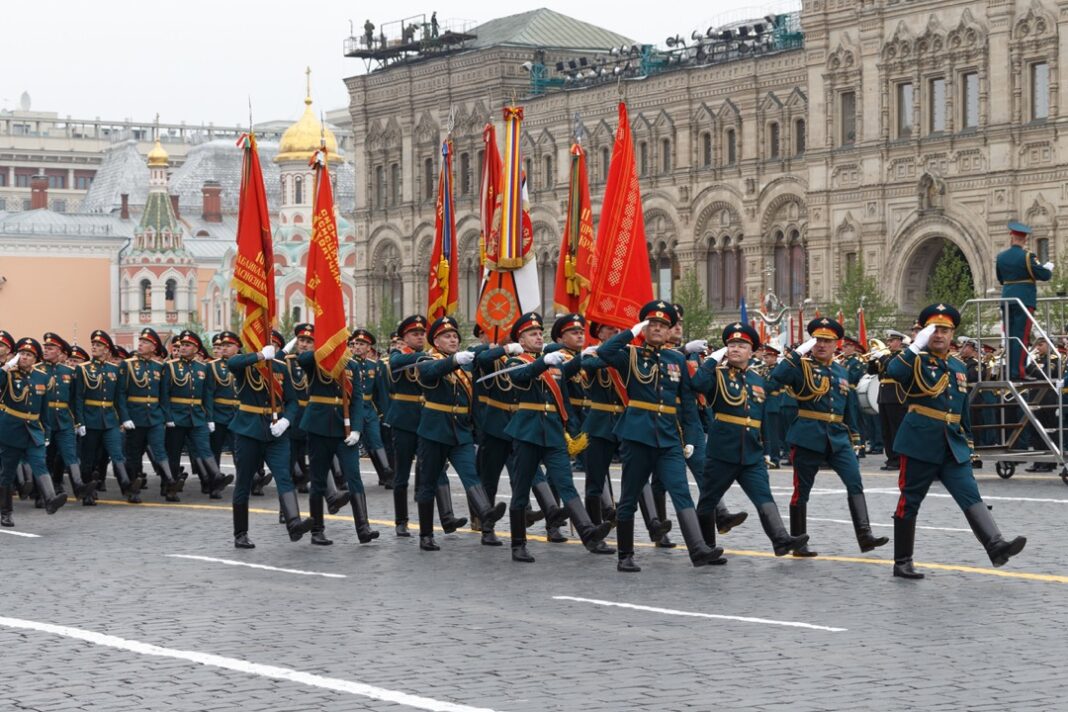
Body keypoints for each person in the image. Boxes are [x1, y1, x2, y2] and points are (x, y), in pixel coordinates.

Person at [887, 303, 1027, 579]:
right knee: (910, 500)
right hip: (920, 441)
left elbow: (962, 409)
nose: (940, 334)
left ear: (953, 334)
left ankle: (996, 545)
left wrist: (969, 443)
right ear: (926, 332)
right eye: (935, 329)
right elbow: (894, 372)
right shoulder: (913, 359)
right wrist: (915, 345)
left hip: (952, 443)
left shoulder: (957, 365)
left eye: (945, 330)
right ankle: (902, 561)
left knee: (970, 494)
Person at [594, 301, 725, 572]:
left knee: (681, 492)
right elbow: (605, 352)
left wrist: (690, 437)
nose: (657, 328)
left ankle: (698, 548)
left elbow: (687, 403)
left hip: (668, 437)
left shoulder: (676, 359)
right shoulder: (629, 354)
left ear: (669, 332)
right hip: (637, 435)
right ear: (645, 327)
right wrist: (632, 332)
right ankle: (625, 555)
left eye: (663, 325)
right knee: (629, 496)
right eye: (652, 324)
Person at [771, 317, 889, 557]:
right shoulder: (801, 366)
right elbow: (777, 377)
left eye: (827, 341)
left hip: (837, 437)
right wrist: (796, 354)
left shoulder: (841, 370)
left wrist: (855, 436)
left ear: (837, 343)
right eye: (817, 340)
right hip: (808, 435)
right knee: (801, 490)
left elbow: (848, 407)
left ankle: (865, 536)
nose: (822, 345)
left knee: (854, 481)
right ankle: (799, 542)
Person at [689, 323, 808, 559]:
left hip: (751, 452)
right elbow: (697, 385)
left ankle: (780, 539)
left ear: (751, 351)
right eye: (731, 345)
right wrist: (712, 360)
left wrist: (796, 355)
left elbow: (772, 392)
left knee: (764, 495)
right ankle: (705, 548)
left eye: (741, 345)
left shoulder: (757, 378)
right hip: (723, 450)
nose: (735, 349)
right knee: (709, 500)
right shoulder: (716, 375)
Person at [500, 312, 611, 562]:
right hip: (527, 432)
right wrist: (543, 362)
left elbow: (565, 396)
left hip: (552, 433)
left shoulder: (555, 363)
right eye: (532, 334)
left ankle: (588, 533)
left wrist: (583, 356)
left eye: (540, 333)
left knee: (566, 484)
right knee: (520, 489)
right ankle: (518, 543)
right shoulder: (515, 361)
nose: (538, 337)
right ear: (521, 339)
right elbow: (520, 377)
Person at [410, 316, 507, 551]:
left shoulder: (465, 364)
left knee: (471, 475)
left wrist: (504, 347)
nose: (452, 339)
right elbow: (431, 372)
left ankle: (486, 515)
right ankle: (425, 535)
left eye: (455, 336)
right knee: (429, 483)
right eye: (446, 336)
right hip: (434, 431)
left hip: (460, 431)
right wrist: (454, 360)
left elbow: (483, 356)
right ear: (436, 341)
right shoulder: (426, 359)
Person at [227, 336, 313, 548]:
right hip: (249, 430)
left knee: (284, 476)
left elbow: (292, 400)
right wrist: (258, 356)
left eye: (275, 345)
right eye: (267, 344)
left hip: (276, 432)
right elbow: (231, 363)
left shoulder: (281, 368)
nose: (272, 348)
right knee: (244, 481)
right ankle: (241, 533)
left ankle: (293, 522)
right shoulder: (246, 365)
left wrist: (286, 420)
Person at [296, 330, 379, 546]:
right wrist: (323, 350)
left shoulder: (351, 366)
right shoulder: (315, 361)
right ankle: (317, 530)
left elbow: (358, 400)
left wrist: (357, 429)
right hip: (319, 427)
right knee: (319, 479)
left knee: (354, 477)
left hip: (345, 430)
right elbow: (302, 358)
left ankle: (363, 528)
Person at [0, 338, 67, 526]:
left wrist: (46, 433)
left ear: (35, 359)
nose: (24, 357)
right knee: (7, 472)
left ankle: (50, 500)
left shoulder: (42, 377)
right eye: (21, 354)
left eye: (28, 355)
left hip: (33, 430)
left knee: (39, 464)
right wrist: (5, 367)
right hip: (11, 430)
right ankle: (6, 512)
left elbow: (45, 409)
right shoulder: (9, 373)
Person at [161, 330, 234, 500]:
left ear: (196, 348)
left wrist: (209, 419)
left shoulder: (203, 368)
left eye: (187, 345)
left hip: (197, 417)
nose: (183, 348)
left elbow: (207, 395)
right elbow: (164, 395)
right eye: (181, 345)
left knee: (204, 448)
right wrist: (168, 417)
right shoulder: (170, 366)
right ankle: (170, 487)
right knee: (174, 453)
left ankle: (216, 477)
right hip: (177, 417)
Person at [76, 330, 143, 503]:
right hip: (90, 419)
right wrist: (80, 421)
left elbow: (119, 397)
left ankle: (127, 487)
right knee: (88, 458)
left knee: (117, 454)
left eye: (98, 345)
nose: (94, 348)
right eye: (94, 345)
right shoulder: (82, 369)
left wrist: (124, 418)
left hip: (110, 419)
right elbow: (78, 398)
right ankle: (88, 492)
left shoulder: (115, 369)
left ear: (107, 349)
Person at [120, 328, 182, 500]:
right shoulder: (128, 364)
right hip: (135, 416)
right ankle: (133, 488)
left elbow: (163, 395)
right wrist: (124, 417)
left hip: (154, 417)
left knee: (160, 451)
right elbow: (121, 394)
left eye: (145, 342)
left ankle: (170, 482)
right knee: (134, 454)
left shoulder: (160, 367)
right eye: (140, 341)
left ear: (154, 347)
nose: (140, 344)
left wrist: (167, 417)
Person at [39, 333, 95, 500]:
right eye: (45, 347)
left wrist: (78, 422)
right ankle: (42, 493)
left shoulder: (70, 372)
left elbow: (75, 399)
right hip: (45, 420)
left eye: (50, 348)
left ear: (60, 351)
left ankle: (78, 485)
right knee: (45, 457)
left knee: (70, 454)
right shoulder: (37, 369)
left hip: (64, 420)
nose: (46, 350)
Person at [997, 221, 1053, 381]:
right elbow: (1044, 275)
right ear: (1025, 239)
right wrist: (1047, 268)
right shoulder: (1028, 256)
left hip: (1007, 299)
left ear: (1011, 237)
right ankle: (1018, 372)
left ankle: (1010, 370)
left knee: (1010, 336)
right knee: (1022, 337)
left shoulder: (1001, 257)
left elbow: (1000, 279)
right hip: (1024, 300)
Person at [349, 329, 394, 488]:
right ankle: (346, 478)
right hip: (352, 409)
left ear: (369, 348)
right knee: (351, 444)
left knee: (376, 441)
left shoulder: (374, 366)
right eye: (355, 344)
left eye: (362, 344)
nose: (358, 347)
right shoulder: (348, 364)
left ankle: (387, 472)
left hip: (369, 409)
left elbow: (380, 393)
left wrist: (384, 415)